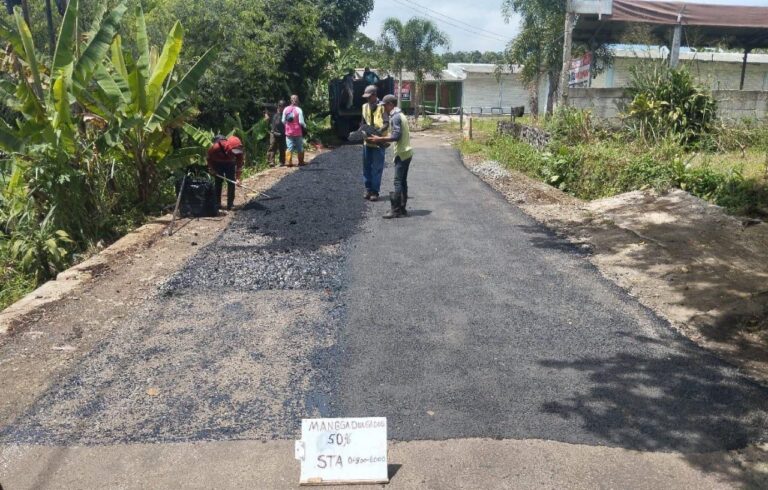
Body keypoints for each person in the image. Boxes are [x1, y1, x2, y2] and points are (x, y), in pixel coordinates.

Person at [366, 94, 412, 219]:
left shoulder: (395, 117)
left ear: (390, 104)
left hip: (402, 154)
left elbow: (396, 136)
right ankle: (402, 208)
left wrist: (379, 138)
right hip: (407, 152)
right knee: (403, 181)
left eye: (385, 105)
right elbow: (398, 136)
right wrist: (384, 142)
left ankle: (396, 210)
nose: (384, 108)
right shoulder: (401, 115)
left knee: (397, 182)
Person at [361, 84, 387, 201]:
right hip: (367, 142)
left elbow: (386, 123)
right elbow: (362, 122)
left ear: (375, 95)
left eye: (369, 96)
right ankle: (368, 189)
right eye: (366, 97)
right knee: (366, 167)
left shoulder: (382, 107)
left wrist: (378, 132)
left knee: (376, 168)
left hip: (378, 142)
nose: (367, 99)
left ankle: (375, 192)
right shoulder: (364, 106)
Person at [207, 134, 244, 211]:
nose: (235, 153)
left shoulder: (239, 152)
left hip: (230, 164)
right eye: (234, 151)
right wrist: (211, 169)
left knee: (232, 182)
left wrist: (238, 178)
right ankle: (217, 203)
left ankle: (230, 205)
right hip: (217, 164)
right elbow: (209, 158)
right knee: (218, 182)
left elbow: (239, 165)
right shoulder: (215, 147)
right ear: (228, 147)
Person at [282, 94, 307, 167]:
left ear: (290, 100)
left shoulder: (285, 109)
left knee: (289, 147)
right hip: (297, 132)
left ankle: (289, 162)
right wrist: (305, 126)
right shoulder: (299, 110)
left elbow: (283, 120)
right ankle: (301, 162)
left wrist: (287, 127)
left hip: (288, 132)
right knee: (300, 147)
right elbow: (301, 122)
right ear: (298, 101)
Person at [267, 100, 287, 167]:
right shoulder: (273, 113)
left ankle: (282, 162)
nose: (282, 108)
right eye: (280, 106)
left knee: (282, 148)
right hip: (273, 132)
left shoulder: (286, 114)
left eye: (283, 106)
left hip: (282, 133)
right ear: (278, 106)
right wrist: (266, 116)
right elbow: (266, 112)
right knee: (272, 147)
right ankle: (271, 162)